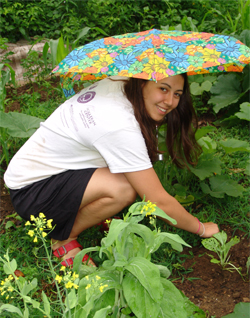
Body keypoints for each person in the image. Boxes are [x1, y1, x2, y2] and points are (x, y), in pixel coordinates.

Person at [4, 74, 219, 266]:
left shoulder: (119, 82)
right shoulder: (119, 124)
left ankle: (92, 213)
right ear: (143, 82)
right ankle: (63, 238)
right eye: (163, 89)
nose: (170, 101)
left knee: (127, 171)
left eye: (177, 93)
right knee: (124, 189)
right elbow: (157, 201)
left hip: (41, 171)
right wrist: (201, 228)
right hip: (32, 193)